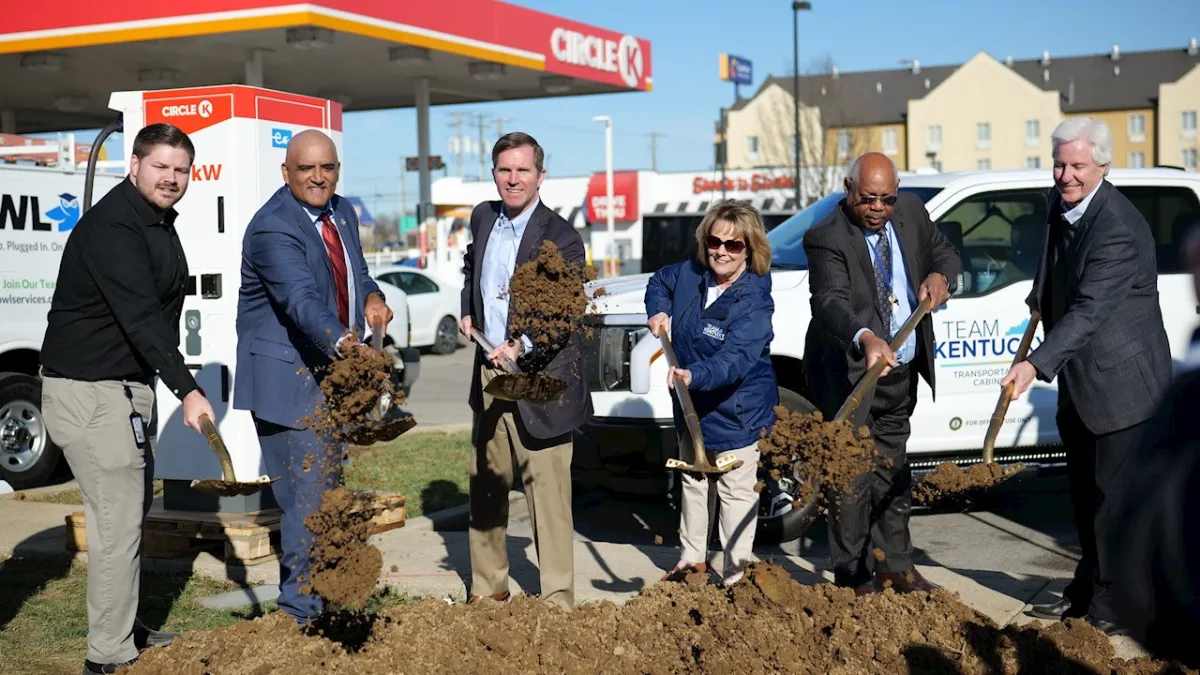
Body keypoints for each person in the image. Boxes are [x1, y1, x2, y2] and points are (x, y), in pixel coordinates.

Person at [39, 123, 217, 675]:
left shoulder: (154, 221)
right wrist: (188, 390)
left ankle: (124, 627)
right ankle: (108, 655)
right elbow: (141, 319)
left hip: (121, 391)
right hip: (92, 395)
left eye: (181, 170)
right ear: (134, 164)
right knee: (117, 526)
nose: (171, 178)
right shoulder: (114, 227)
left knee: (127, 519)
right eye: (160, 166)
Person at [1002, 117, 1173, 636]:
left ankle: (1115, 604)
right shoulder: (1060, 204)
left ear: (1103, 165)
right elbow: (1053, 261)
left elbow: (1090, 309)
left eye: (1077, 165)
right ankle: (1089, 584)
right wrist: (1038, 297)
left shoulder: (1117, 227)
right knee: (1083, 494)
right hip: (1082, 380)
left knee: (1112, 503)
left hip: (1123, 384)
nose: (1066, 175)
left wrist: (1035, 362)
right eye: (1059, 164)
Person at [233, 129, 393, 625]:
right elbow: (300, 300)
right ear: (287, 173)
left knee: (325, 495)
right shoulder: (273, 228)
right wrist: (346, 343)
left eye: (327, 168)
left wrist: (372, 297)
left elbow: (356, 272)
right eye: (306, 168)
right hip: (289, 382)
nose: (318, 177)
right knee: (308, 504)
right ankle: (299, 615)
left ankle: (323, 604)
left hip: (328, 377)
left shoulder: (341, 212)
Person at [802, 152, 960, 596]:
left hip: (900, 372)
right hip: (850, 374)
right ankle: (852, 574)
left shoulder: (910, 211)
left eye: (886, 199)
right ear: (848, 189)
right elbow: (829, 301)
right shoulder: (826, 237)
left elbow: (944, 252)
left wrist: (940, 274)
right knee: (850, 475)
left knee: (892, 469)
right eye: (868, 198)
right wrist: (865, 336)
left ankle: (895, 566)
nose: (877, 208)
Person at [458, 131, 591, 611]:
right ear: (494, 173)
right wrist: (468, 309)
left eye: (523, 170)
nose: (513, 179)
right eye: (504, 170)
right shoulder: (482, 217)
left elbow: (564, 310)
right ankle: (488, 588)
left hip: (540, 378)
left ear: (540, 175)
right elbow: (471, 267)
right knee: (487, 484)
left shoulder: (562, 238)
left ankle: (556, 600)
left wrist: (521, 344)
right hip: (488, 372)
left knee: (548, 496)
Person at [644, 199, 778, 586]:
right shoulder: (692, 273)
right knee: (693, 480)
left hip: (737, 410)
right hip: (692, 405)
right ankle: (693, 563)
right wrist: (658, 310)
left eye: (733, 244)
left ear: (749, 248)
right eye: (714, 241)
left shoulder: (754, 301)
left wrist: (693, 375)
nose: (721, 251)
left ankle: (736, 576)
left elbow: (736, 360)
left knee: (736, 491)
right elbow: (659, 282)